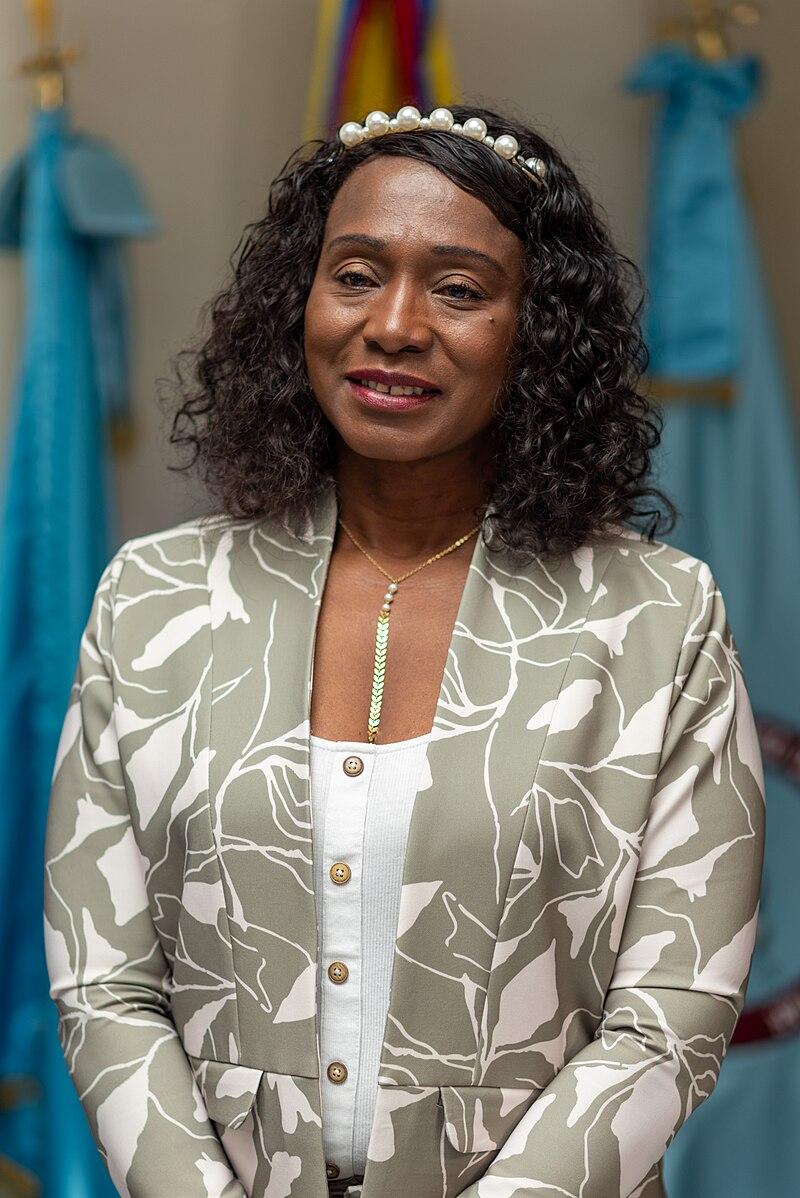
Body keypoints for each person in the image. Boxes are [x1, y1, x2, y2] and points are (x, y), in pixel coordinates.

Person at [43, 102, 765, 1198]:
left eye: (460, 288)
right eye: (355, 274)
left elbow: (672, 1012)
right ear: (299, 300)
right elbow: (104, 986)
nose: (393, 323)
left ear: (537, 333)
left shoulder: (656, 617)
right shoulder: (152, 599)